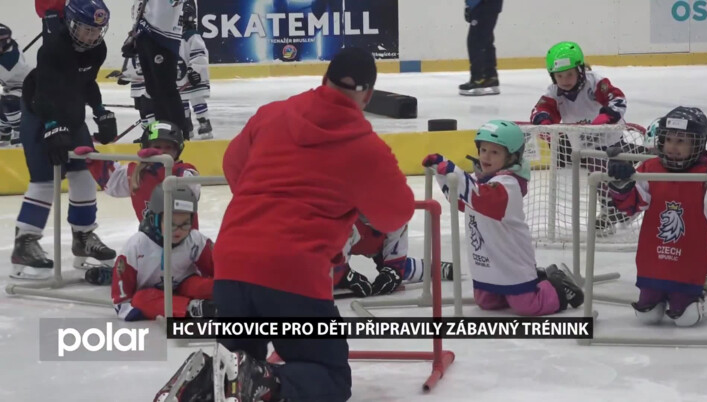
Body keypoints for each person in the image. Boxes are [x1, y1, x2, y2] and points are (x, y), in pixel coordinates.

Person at [154, 47, 415, 402]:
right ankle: (260, 381)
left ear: (323, 78)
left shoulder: (273, 114)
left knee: (235, 366)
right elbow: (395, 214)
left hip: (232, 263)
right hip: (294, 275)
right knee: (329, 376)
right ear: (368, 95)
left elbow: (233, 165)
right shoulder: (366, 147)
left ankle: (208, 380)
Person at [422, 120, 584, 316]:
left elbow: (481, 198)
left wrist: (452, 170)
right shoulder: (480, 179)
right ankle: (533, 280)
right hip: (487, 257)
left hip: (511, 258)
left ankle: (558, 284)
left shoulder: (509, 185)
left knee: (528, 306)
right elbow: (463, 201)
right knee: (487, 302)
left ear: (511, 157)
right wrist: (441, 173)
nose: (486, 156)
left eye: (495, 152)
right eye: (483, 150)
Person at [11, 0, 117, 280]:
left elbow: (87, 82)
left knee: (85, 172)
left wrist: (101, 111)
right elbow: (43, 92)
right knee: (44, 179)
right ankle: (25, 243)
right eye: (86, 29)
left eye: (97, 30)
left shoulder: (99, 50)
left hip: (71, 112)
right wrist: (51, 126)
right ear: (70, 24)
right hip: (39, 111)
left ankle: (83, 236)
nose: (92, 36)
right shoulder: (54, 47)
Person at [607, 106, 707, 327]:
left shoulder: (706, 172)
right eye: (669, 139)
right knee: (647, 316)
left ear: (698, 144)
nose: (673, 146)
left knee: (686, 318)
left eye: (681, 141)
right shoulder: (650, 167)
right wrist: (622, 184)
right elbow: (631, 206)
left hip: (689, 261)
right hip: (653, 260)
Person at [529, 40, 646, 234]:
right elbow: (540, 109)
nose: (565, 80)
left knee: (611, 174)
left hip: (609, 138)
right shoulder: (554, 92)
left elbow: (618, 99)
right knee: (598, 178)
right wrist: (544, 121)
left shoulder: (596, 82)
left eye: (569, 74)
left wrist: (606, 116)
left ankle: (617, 208)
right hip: (583, 143)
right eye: (559, 76)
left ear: (580, 70)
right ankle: (612, 210)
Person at [76, 120, 200, 285]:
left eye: (168, 147)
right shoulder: (136, 173)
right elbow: (113, 181)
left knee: (187, 281)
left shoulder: (185, 171)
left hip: (184, 243)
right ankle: (124, 275)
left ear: (178, 150)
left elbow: (190, 190)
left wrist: (160, 169)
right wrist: (93, 159)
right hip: (151, 242)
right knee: (137, 253)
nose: (162, 152)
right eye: (157, 147)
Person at [110, 184, 214, 321]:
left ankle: (207, 305)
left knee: (209, 287)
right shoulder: (137, 245)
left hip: (185, 285)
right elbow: (122, 299)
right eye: (171, 224)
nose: (178, 230)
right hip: (151, 295)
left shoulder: (195, 240)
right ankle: (192, 308)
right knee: (140, 299)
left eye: (185, 224)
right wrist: (131, 309)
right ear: (155, 219)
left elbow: (220, 269)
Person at [334, 217, 454, 298]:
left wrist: (392, 273)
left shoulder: (397, 213)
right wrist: (344, 275)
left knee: (399, 270)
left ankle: (436, 269)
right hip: (346, 228)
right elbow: (330, 262)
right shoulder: (342, 214)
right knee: (332, 276)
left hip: (374, 236)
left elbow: (396, 264)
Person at [122, 0, 188, 139]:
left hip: (164, 37)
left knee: (165, 87)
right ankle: (163, 131)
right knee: (152, 88)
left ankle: (178, 132)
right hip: (145, 35)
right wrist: (135, 36)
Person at [178, 0, 212, 140]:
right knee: (181, 102)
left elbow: (200, 55)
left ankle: (204, 122)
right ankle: (186, 127)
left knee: (197, 99)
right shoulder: (173, 36)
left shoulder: (192, 36)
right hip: (179, 78)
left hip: (194, 77)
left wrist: (194, 70)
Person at [459, 0, 503, 96]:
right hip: (489, 5)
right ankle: (490, 77)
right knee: (485, 40)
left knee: (475, 41)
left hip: (482, 5)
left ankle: (477, 79)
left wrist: (470, 5)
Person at [0, 23, 31, 147]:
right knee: (3, 106)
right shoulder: (10, 45)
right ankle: (4, 134)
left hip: (28, 89)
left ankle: (21, 133)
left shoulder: (9, 60)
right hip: (12, 88)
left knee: (9, 102)